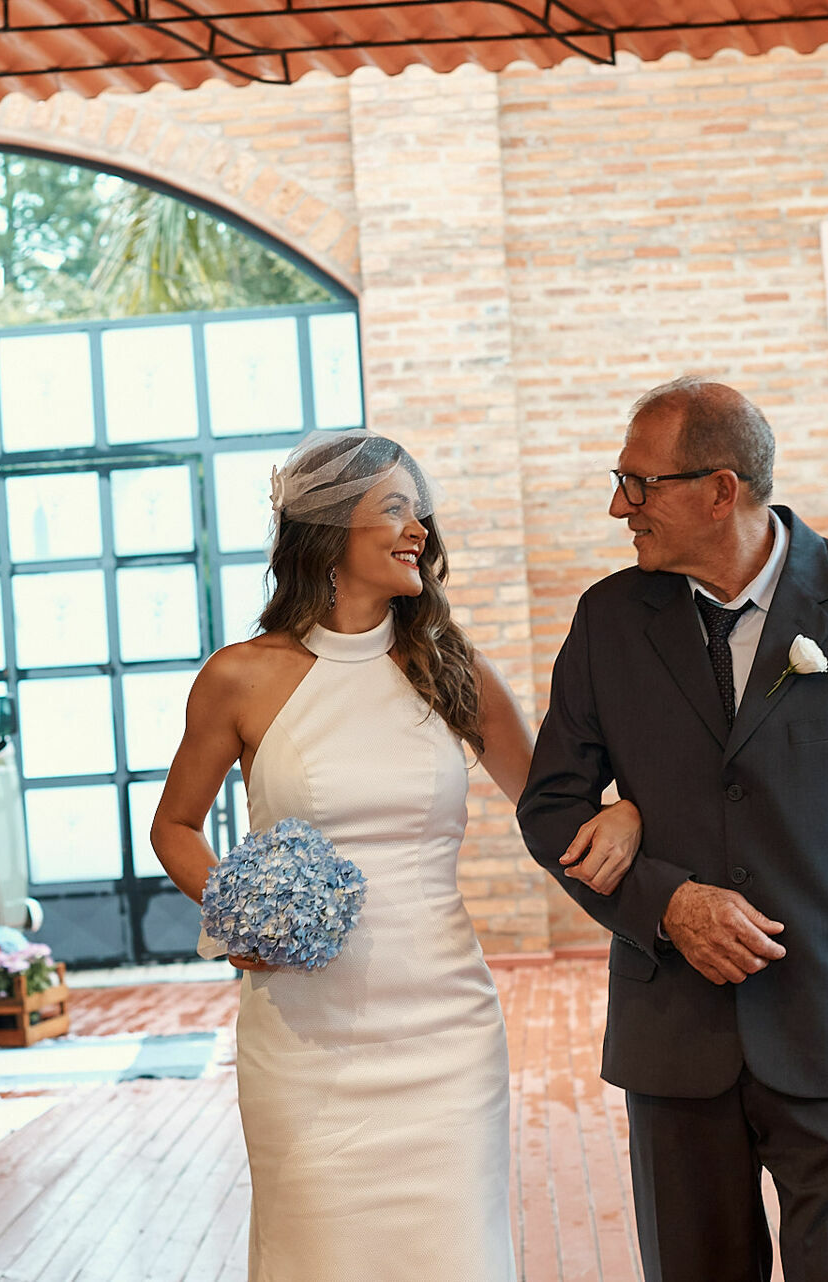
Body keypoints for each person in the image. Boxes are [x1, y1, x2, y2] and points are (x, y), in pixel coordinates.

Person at [149, 429, 643, 1281]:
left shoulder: (453, 669)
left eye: (420, 513)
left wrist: (628, 813)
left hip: (445, 1035)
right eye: (393, 511)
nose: (418, 529)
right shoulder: (240, 677)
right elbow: (174, 829)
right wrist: (240, 913)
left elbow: (550, 808)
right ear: (328, 532)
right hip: (304, 1038)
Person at [518, 377, 828, 1282]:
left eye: (639, 484)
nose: (621, 506)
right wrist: (669, 901)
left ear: (720, 491)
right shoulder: (610, 619)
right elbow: (550, 808)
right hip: (674, 1045)